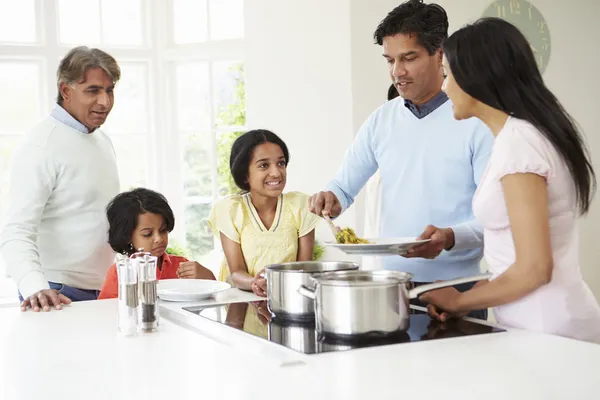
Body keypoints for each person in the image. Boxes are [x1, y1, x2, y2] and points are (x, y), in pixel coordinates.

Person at [308, 0, 493, 319]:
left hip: (459, 285)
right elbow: (343, 187)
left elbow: (496, 219)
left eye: (409, 58)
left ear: (440, 54)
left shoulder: (477, 121)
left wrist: (448, 237)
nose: (397, 71)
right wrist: (331, 198)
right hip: (392, 287)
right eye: (390, 60)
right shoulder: (382, 120)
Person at [420, 18, 600, 343]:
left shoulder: (519, 143)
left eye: (447, 74)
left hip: (549, 330)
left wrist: (460, 299)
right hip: (541, 324)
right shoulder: (526, 135)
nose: (444, 87)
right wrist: (475, 295)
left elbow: (535, 268)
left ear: (475, 75)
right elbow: (518, 260)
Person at [0, 46, 122, 312]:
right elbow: (16, 230)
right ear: (66, 91)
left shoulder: (101, 140)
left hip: (103, 289)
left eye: (109, 90)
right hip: (55, 293)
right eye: (92, 90)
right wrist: (34, 286)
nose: (105, 102)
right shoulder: (40, 146)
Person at [208, 129, 320, 297]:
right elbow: (236, 272)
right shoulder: (230, 210)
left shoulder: (301, 206)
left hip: (288, 298)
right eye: (263, 165)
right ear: (245, 175)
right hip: (240, 302)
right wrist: (254, 283)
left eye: (281, 163)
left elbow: (303, 269)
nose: (276, 172)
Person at [98, 188, 215, 299]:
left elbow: (214, 299)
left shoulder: (181, 266)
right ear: (127, 236)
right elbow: (105, 312)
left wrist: (206, 276)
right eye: (147, 234)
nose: (159, 239)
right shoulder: (121, 273)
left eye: (163, 230)